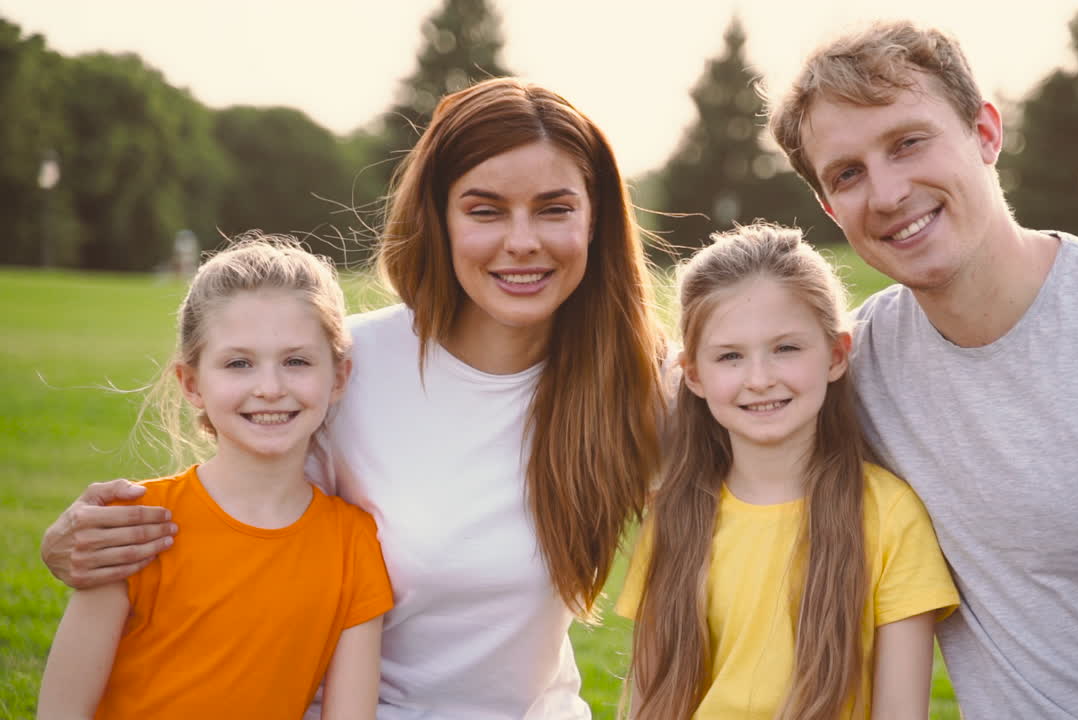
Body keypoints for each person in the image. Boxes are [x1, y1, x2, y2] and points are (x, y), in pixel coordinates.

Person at [39, 78, 667, 718]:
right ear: (439, 219)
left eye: (555, 208)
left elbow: (733, 552)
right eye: (485, 210)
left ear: (596, 220)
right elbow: (231, 526)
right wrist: (81, 546)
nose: (523, 240)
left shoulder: (643, 386)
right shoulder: (344, 369)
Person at [768, 20, 1078, 719]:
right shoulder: (856, 365)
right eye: (848, 175)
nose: (886, 194)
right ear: (829, 208)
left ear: (985, 132)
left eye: (908, 142)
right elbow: (688, 400)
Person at [36, 235, 393, 719]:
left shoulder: (353, 543)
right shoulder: (133, 527)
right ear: (191, 383)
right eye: (238, 363)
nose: (270, 388)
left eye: (296, 361)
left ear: (339, 378)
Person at [616, 223, 958, 719]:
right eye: (730, 356)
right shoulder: (676, 518)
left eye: (786, 348)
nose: (760, 379)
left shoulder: (890, 516)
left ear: (837, 355)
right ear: (694, 375)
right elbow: (650, 704)